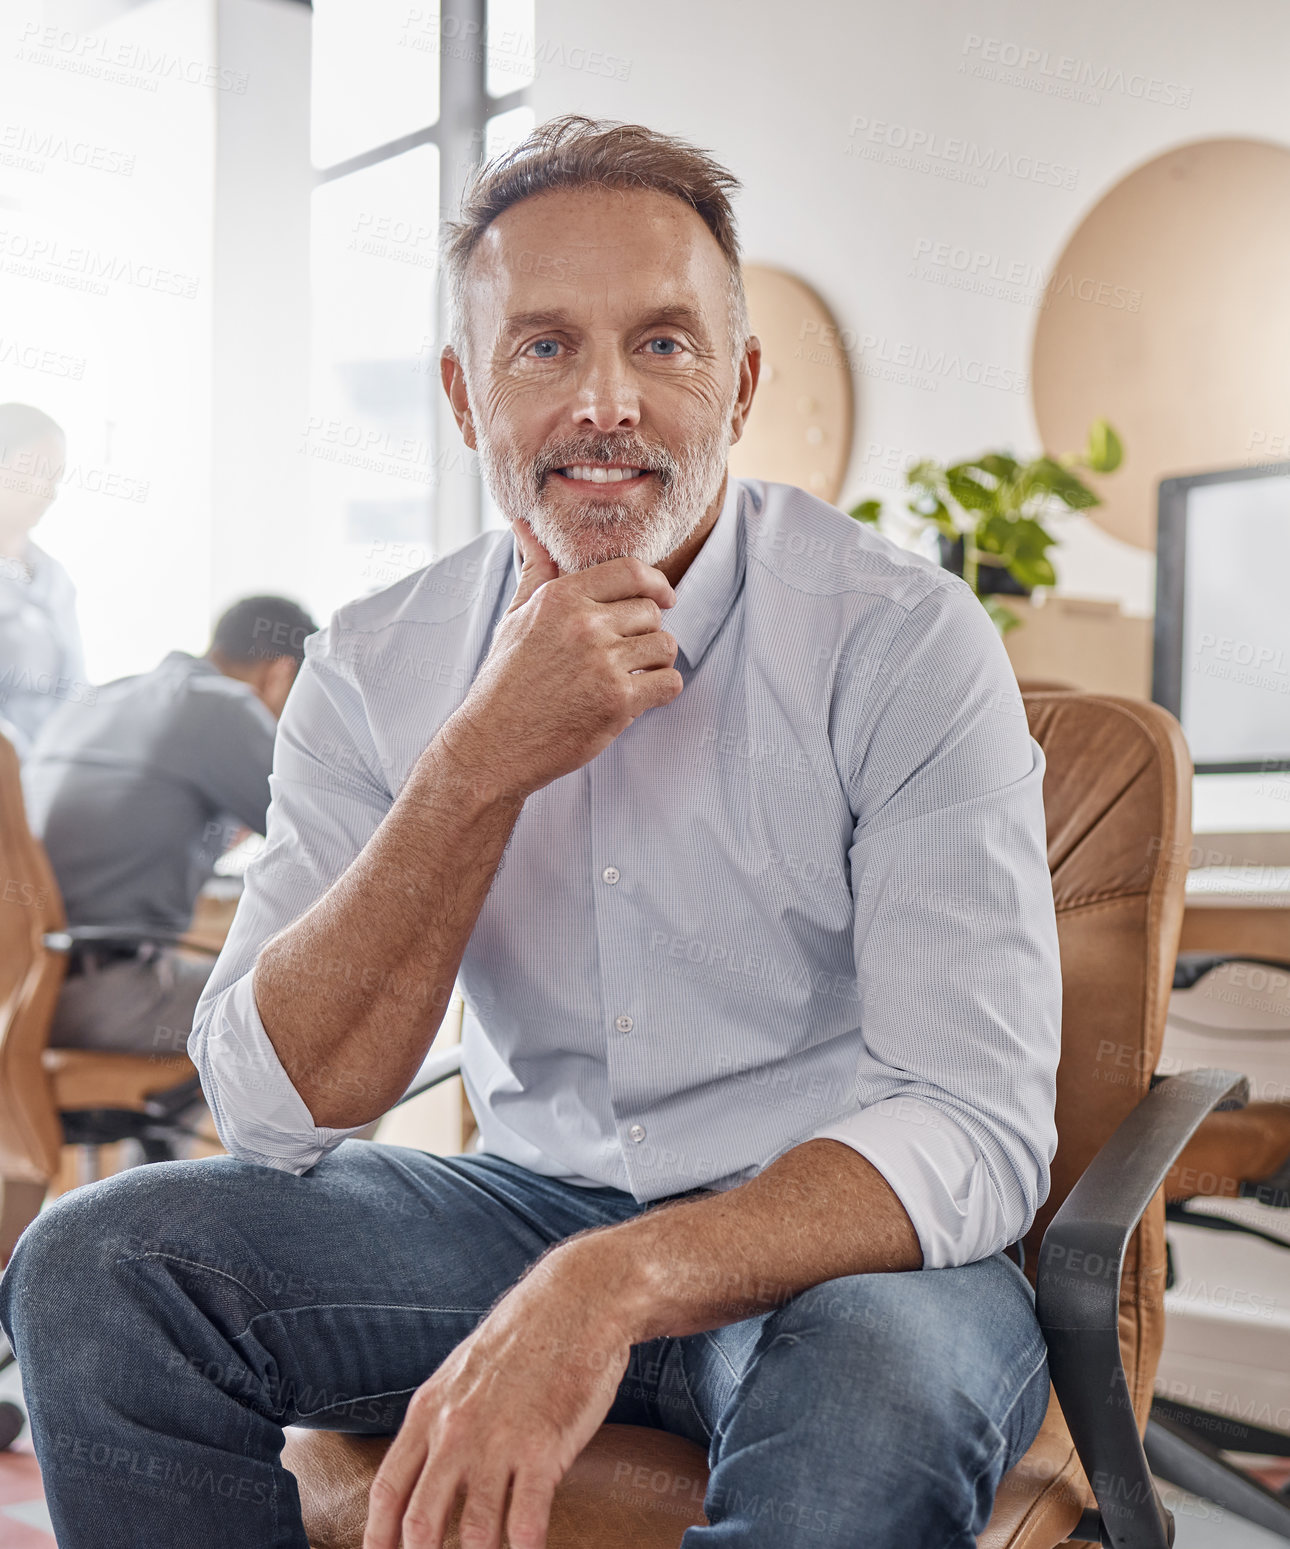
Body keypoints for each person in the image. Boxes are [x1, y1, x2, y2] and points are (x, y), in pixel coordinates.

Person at [0, 118, 1061, 1549]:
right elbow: (272, 1105)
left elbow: (976, 1122)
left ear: (739, 380)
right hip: (515, 1204)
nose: (603, 404)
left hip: (836, 1234)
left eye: (665, 346)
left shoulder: (898, 636)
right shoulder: (378, 660)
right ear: (463, 392)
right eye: (544, 347)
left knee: (877, 1401)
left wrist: (606, 1283)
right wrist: (476, 766)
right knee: (97, 1260)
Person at [23, 594, 316, 1055]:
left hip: (22, 988)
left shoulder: (99, 698)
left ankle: (173, 1124)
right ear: (279, 675)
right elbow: (331, 840)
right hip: (101, 993)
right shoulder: (225, 706)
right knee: (332, 1013)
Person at [0, 404, 86, 759]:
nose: (49, 492)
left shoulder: (55, 578)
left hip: (51, 773)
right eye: (37, 471)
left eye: (56, 476)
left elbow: (75, 691)